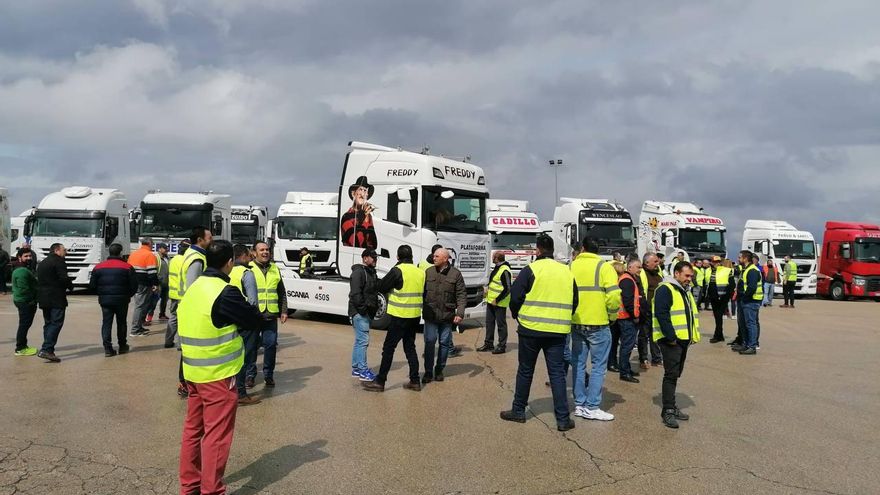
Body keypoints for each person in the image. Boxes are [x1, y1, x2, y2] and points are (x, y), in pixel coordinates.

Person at [178, 240, 262, 495]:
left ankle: (190, 485)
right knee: (217, 436)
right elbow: (253, 319)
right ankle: (211, 490)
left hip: (193, 374)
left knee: (193, 431)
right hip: (219, 376)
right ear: (229, 263)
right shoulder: (223, 291)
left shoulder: (193, 289)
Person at [499, 235, 578, 432]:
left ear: (538, 251)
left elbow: (515, 297)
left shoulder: (530, 270)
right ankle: (562, 419)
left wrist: (518, 315)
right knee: (557, 374)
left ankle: (518, 411)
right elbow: (574, 300)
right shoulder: (566, 272)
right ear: (552, 250)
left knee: (525, 370)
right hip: (557, 331)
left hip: (530, 330)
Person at [569, 237, 619, 421]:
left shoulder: (572, 266)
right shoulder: (604, 267)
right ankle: (592, 406)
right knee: (598, 367)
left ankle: (580, 404)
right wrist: (612, 315)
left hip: (576, 322)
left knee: (579, 365)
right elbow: (614, 296)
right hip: (598, 323)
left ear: (582, 248)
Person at [363, 245, 425, 392]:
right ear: (411, 257)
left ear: (398, 257)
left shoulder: (398, 270)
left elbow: (382, 286)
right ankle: (415, 381)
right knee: (410, 348)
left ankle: (380, 381)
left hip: (399, 316)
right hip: (414, 316)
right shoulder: (420, 272)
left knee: (388, 349)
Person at [652, 261, 700, 429]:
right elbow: (661, 314)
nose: (689, 279)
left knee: (675, 374)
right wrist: (671, 337)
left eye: (691, 276)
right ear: (677, 273)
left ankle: (671, 405)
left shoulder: (682, 290)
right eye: (687, 275)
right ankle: (668, 411)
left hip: (682, 339)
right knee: (671, 375)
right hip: (671, 341)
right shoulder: (666, 289)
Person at [243, 241, 288, 389]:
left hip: (270, 316)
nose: (265, 252)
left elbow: (281, 291)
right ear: (254, 253)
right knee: (251, 347)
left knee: (270, 345)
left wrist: (284, 310)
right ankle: (250, 375)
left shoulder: (275, 268)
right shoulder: (248, 269)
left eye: (267, 249)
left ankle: (268, 375)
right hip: (253, 316)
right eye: (261, 250)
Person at [175, 227, 214, 398]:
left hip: (187, 305)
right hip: (192, 307)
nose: (211, 240)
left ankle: (186, 381)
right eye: (209, 237)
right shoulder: (197, 259)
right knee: (190, 348)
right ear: (200, 239)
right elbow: (193, 287)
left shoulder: (191, 253)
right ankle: (185, 383)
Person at [421, 248, 466, 384]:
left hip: (447, 316)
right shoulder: (428, 272)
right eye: (434, 256)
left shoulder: (455, 274)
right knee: (429, 342)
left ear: (445, 259)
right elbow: (421, 292)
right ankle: (428, 372)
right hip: (430, 315)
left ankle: (439, 369)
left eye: (436, 256)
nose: (433, 258)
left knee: (444, 343)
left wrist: (460, 313)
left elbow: (461, 295)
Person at [89, 243, 138, 357]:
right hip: (122, 300)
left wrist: (101, 294)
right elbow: (134, 286)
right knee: (121, 323)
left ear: (109, 252)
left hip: (105, 300)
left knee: (106, 323)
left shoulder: (98, 267)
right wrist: (128, 295)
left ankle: (107, 348)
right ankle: (122, 346)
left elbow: (92, 286)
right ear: (120, 252)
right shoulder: (127, 267)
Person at [229, 244, 261, 406]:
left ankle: (230, 390)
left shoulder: (227, 272)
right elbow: (253, 301)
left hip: (230, 320)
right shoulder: (246, 273)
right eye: (249, 255)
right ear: (242, 256)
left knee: (232, 358)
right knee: (245, 358)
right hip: (246, 322)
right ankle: (240, 393)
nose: (251, 258)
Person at [36, 243, 73, 362]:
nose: (66, 252)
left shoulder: (43, 262)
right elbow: (63, 278)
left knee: (48, 323)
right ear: (57, 250)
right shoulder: (59, 261)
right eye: (64, 250)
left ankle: (48, 350)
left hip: (43, 297)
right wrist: (70, 285)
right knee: (56, 323)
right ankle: (46, 349)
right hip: (56, 297)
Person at [348, 248, 379, 381]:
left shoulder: (370, 272)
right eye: (373, 257)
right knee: (363, 341)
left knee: (359, 340)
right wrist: (363, 310)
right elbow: (356, 293)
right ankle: (362, 370)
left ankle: (356, 368)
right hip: (360, 313)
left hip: (365, 312)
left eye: (376, 257)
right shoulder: (359, 273)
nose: (375, 259)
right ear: (365, 258)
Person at [477, 252, 512, 354]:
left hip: (499, 303)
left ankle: (502, 346)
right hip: (491, 301)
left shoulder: (505, 270)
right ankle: (488, 344)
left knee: (501, 325)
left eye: (493, 257)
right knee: (489, 323)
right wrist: (487, 289)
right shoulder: (497, 267)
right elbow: (494, 282)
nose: (492, 258)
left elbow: (508, 288)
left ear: (497, 258)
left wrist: (497, 299)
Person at [617, 259, 645, 384]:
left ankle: (626, 369)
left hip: (626, 317)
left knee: (627, 346)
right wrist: (634, 316)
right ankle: (625, 372)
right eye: (638, 267)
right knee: (627, 346)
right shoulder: (627, 280)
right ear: (630, 267)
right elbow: (628, 301)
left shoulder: (628, 278)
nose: (640, 269)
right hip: (626, 318)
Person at [128, 238, 159, 337]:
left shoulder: (134, 254)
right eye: (152, 243)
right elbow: (152, 273)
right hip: (144, 284)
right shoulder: (149, 255)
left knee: (141, 305)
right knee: (140, 306)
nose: (153, 245)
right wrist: (155, 284)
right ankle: (135, 330)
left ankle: (139, 326)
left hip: (134, 283)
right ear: (149, 244)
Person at [637, 253, 664, 368]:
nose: (658, 264)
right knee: (644, 335)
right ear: (647, 263)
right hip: (645, 309)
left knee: (656, 334)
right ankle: (643, 359)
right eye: (655, 262)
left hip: (657, 309)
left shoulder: (658, 272)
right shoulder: (642, 273)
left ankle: (656, 358)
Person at [734, 250, 763, 355]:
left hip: (751, 301)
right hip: (745, 300)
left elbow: (751, 288)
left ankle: (752, 346)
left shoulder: (752, 270)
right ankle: (745, 344)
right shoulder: (745, 269)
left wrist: (745, 298)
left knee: (751, 324)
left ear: (745, 258)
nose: (738, 259)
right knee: (743, 323)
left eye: (739, 257)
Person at [12, 248, 38, 356]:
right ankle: (20, 348)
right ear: (19, 257)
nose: (28, 258)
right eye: (26, 256)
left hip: (24, 301)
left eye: (30, 256)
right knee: (24, 325)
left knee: (25, 324)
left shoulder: (23, 268)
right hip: (25, 302)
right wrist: (32, 300)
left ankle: (23, 345)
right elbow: (24, 289)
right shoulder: (21, 271)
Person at [165, 241, 190, 349]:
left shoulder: (173, 259)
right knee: (183, 319)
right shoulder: (187, 260)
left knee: (173, 318)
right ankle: (180, 344)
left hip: (173, 293)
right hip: (183, 294)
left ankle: (168, 341)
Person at [341, 175, 377, 249]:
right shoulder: (347, 216)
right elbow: (356, 242)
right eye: (360, 189)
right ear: (353, 193)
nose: (362, 194)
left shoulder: (368, 216)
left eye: (365, 191)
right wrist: (363, 219)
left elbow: (374, 244)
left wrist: (366, 218)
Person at [706, 256, 734, 343]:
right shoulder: (707, 271)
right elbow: (708, 283)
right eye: (714, 262)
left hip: (723, 297)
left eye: (717, 262)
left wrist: (726, 296)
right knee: (717, 316)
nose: (716, 263)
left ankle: (717, 335)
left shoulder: (727, 270)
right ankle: (720, 335)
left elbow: (732, 285)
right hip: (713, 296)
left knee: (718, 315)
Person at [607, 260, 626, 372]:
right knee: (613, 342)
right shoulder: (614, 284)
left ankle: (612, 362)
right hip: (614, 316)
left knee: (614, 342)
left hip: (616, 316)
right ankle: (611, 363)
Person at [146, 243, 170, 323]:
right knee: (154, 301)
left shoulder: (167, 258)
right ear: (159, 249)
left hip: (166, 283)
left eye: (167, 248)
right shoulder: (156, 257)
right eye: (165, 248)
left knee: (164, 300)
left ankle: (162, 314)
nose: (167, 249)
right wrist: (154, 283)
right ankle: (149, 317)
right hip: (158, 283)